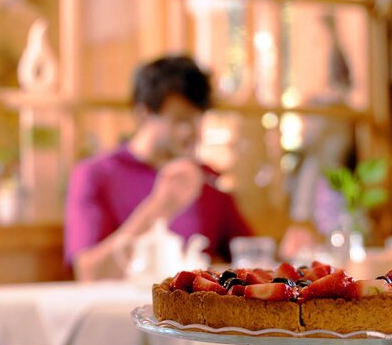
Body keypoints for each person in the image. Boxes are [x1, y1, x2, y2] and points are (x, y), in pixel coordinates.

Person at [64, 55, 252, 281]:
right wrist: (158, 208)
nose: (194, 133)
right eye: (181, 120)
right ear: (143, 114)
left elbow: (250, 256)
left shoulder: (207, 178)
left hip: (190, 304)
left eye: (199, 119)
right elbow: (90, 274)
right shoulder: (95, 174)